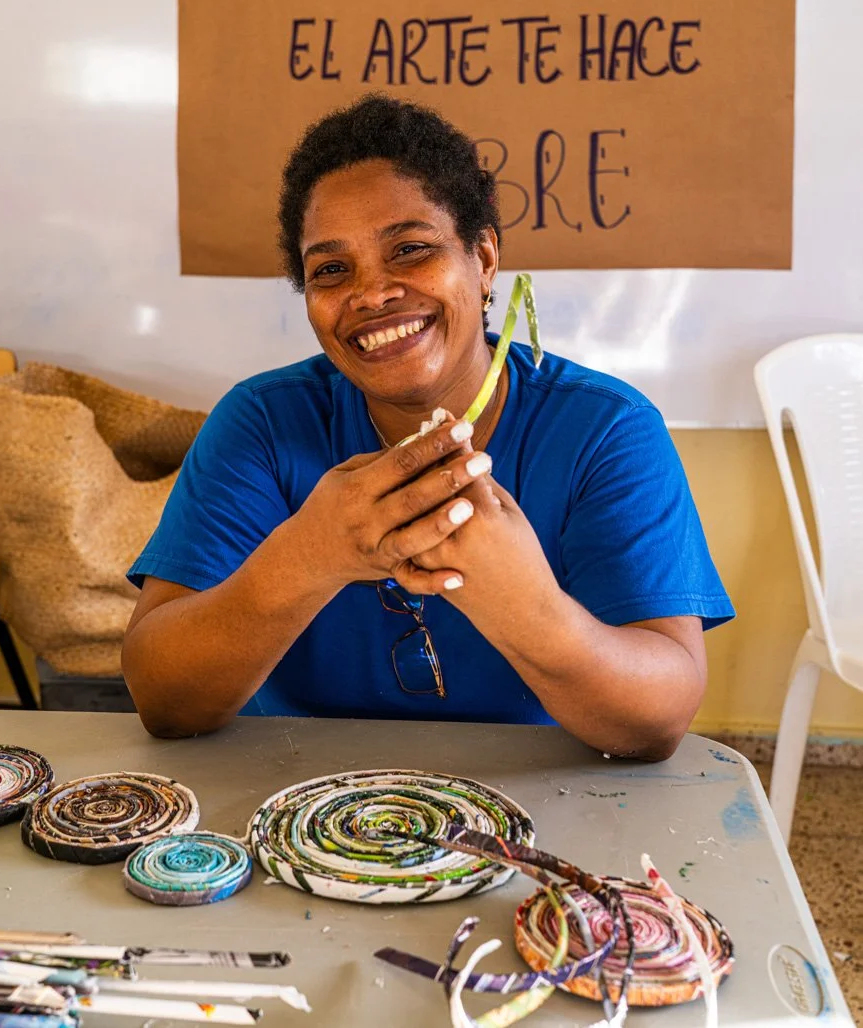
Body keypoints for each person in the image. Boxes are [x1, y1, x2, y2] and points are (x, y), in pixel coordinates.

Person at [123, 94, 733, 755]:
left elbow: (657, 720)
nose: (372, 293)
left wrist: (525, 607)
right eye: (331, 269)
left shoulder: (604, 431)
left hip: (538, 801)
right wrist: (311, 556)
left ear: (485, 260)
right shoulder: (263, 424)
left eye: (411, 249)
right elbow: (163, 698)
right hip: (291, 793)